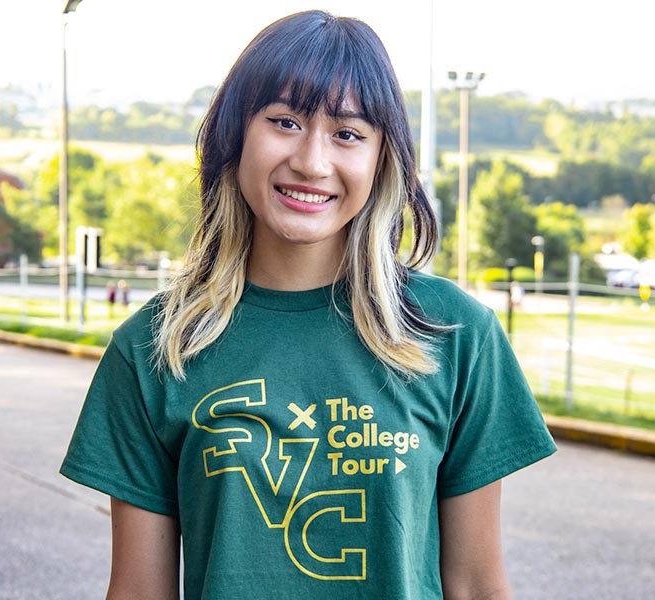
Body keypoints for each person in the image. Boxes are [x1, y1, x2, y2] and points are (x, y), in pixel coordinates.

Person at [60, 10, 555, 599]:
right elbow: (141, 592)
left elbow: (475, 586)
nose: (312, 162)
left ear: (382, 158)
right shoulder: (154, 347)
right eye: (285, 121)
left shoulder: (454, 334)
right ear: (235, 135)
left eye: (348, 133)